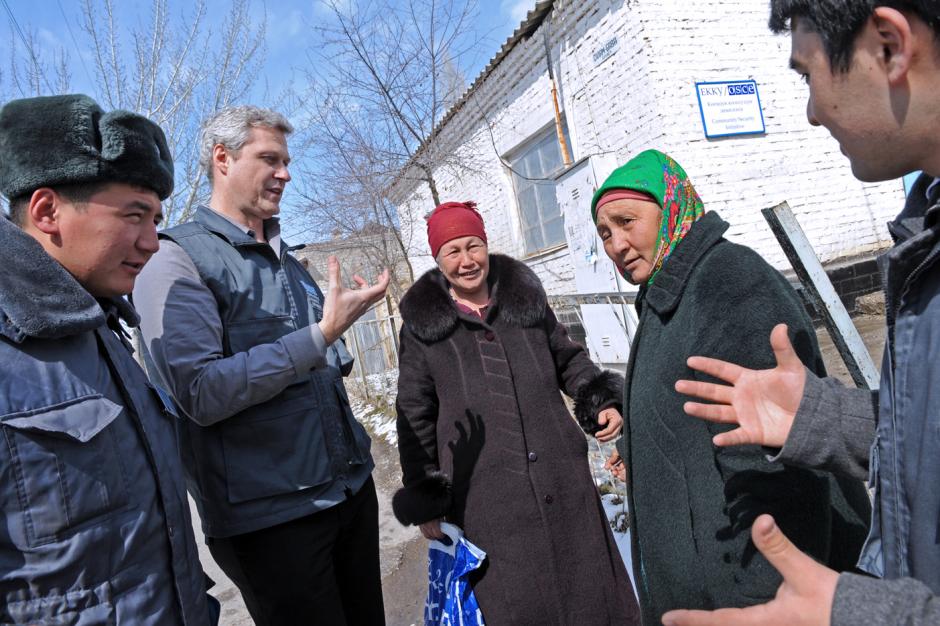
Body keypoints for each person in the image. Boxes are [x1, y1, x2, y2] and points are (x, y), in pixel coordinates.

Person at [662, 3, 940, 625]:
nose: (812, 112)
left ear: (890, 46)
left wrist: (859, 614)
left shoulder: (732, 280)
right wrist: (828, 418)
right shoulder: (925, 235)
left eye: (808, 74)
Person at [133, 106, 389, 625]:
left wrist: (333, 335)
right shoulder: (175, 258)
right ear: (222, 158)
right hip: (272, 523)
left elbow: (320, 369)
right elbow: (201, 392)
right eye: (270, 159)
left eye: (286, 161)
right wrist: (319, 336)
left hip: (348, 493)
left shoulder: (289, 261)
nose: (285, 173)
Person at [592, 149, 872, 625]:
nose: (617, 244)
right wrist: (635, 448)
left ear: (671, 210)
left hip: (752, 595)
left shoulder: (729, 284)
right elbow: (685, 407)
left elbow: (773, 465)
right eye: (604, 233)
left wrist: (764, 601)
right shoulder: (666, 295)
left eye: (627, 222)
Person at [0, 94, 214, 624]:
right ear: (47, 212)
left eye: (156, 219)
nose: (152, 242)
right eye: (134, 215)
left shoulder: (104, 329)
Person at [392, 201, 640, 624]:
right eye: (453, 251)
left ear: (486, 245)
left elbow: (567, 357)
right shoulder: (422, 329)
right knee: (515, 603)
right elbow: (414, 412)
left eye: (474, 246)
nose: (467, 261)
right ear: (438, 258)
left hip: (562, 479)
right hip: (484, 496)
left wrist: (601, 400)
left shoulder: (523, 301)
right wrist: (425, 496)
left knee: (592, 595)